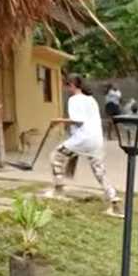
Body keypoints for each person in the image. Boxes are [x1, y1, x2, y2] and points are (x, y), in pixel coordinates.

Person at [46, 74, 123, 217]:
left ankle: (58, 190)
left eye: (66, 86)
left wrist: (58, 121)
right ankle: (114, 202)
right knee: (99, 171)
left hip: (83, 138)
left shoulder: (74, 99)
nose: (66, 89)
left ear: (72, 85)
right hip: (96, 139)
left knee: (55, 156)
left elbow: (78, 120)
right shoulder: (91, 99)